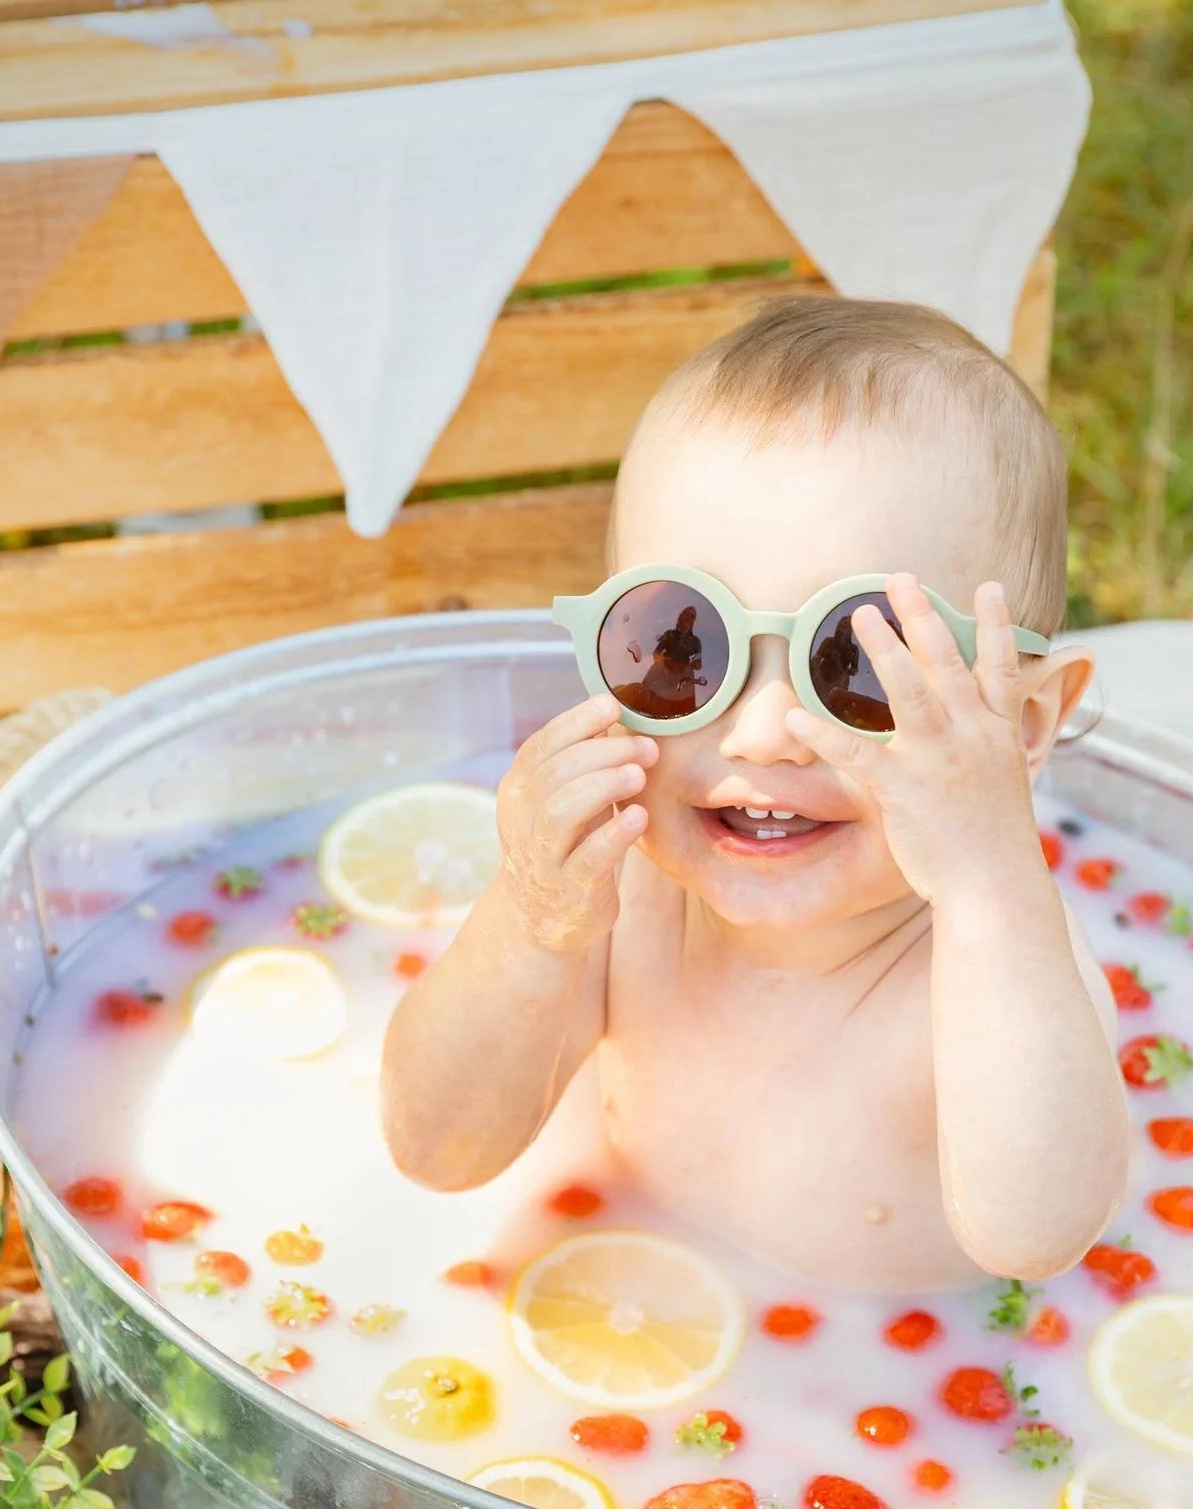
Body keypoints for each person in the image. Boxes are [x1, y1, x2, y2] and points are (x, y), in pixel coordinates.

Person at [380, 296, 1126, 1292]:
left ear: (1025, 727)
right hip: (627, 1319)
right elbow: (436, 1146)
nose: (759, 730)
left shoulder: (999, 959)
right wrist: (529, 915)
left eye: (863, 661)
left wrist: (992, 884)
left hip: (894, 1401)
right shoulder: (623, 893)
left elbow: (1038, 1233)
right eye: (682, 646)